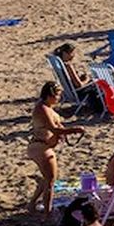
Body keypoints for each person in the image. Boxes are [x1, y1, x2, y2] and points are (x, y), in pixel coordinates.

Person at [28, 82, 85, 213]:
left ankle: (32, 204)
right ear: (50, 95)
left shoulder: (47, 107)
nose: (59, 98)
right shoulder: (42, 108)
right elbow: (53, 129)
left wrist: (66, 131)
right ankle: (47, 213)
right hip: (42, 147)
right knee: (50, 182)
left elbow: (57, 127)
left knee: (47, 179)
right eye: (58, 95)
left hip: (42, 146)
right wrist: (74, 130)